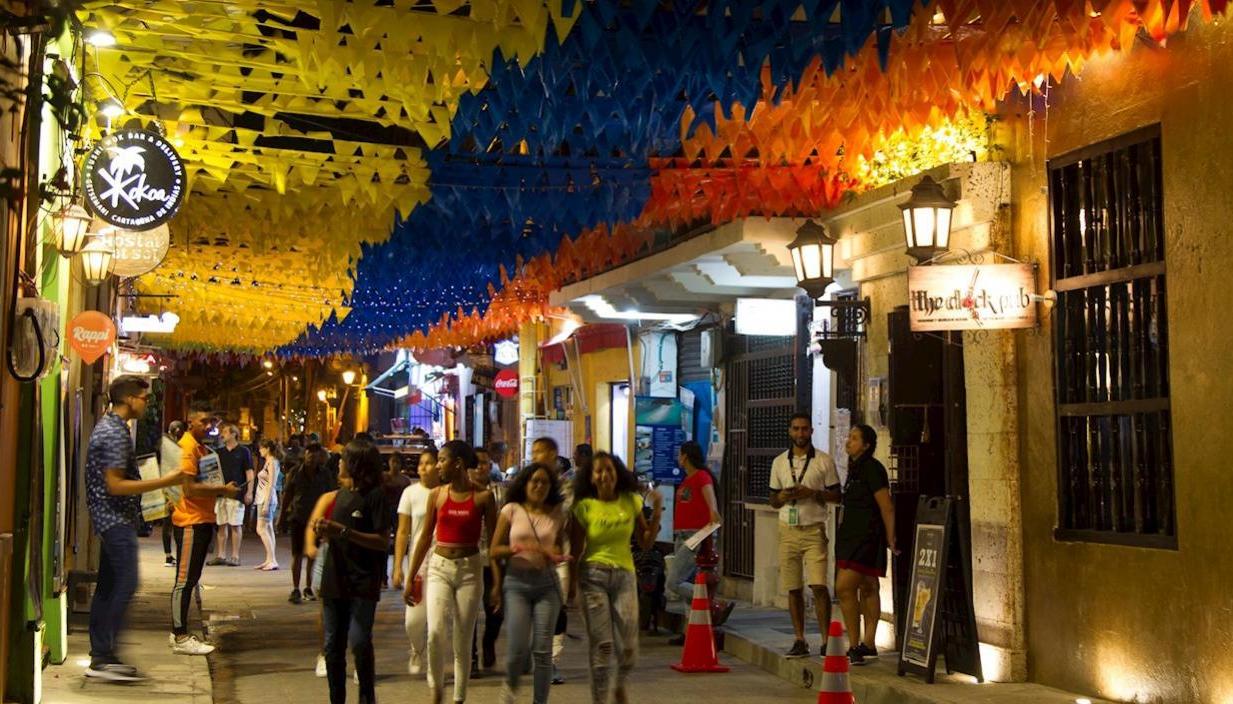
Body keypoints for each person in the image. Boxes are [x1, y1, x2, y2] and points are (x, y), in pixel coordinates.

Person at [84, 376, 187, 682]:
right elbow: (115, 485)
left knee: (108, 586)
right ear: (129, 399)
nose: (146, 403)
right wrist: (166, 482)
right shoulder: (114, 433)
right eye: (144, 398)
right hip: (114, 518)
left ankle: (102, 655)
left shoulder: (111, 428)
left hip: (109, 518)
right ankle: (103, 655)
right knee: (126, 583)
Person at [405, 440, 498, 704]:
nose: (438, 466)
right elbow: (424, 539)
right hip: (439, 568)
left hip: (470, 570)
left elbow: (493, 543)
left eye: (442, 460)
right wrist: (410, 576)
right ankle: (436, 690)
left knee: (463, 637)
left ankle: (459, 697)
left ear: (458, 463)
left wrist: (498, 582)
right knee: (434, 631)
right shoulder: (438, 495)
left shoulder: (483, 497)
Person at [569, 452, 662, 704]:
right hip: (592, 577)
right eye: (598, 471)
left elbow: (645, 543)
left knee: (630, 647)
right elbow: (575, 551)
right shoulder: (583, 506)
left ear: (617, 473)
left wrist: (658, 512)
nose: (604, 475)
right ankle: (599, 700)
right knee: (603, 646)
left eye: (609, 469)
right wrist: (570, 588)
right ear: (591, 477)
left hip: (624, 576)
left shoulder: (630, 501)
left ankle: (619, 683)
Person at [306, 439, 390, 704]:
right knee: (332, 648)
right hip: (335, 579)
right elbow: (329, 533)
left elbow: (382, 540)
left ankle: (366, 697)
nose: (338, 463)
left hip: (363, 580)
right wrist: (322, 532)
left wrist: (342, 531)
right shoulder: (339, 496)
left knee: (360, 641)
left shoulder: (375, 496)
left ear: (355, 464)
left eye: (343, 458)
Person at [490, 464, 569, 704]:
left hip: (548, 585)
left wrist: (556, 554)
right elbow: (494, 550)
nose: (539, 486)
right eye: (534, 481)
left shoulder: (557, 512)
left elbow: (560, 544)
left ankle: (539, 702)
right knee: (516, 649)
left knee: (543, 651)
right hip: (516, 584)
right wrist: (520, 548)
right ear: (524, 484)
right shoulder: (511, 510)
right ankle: (510, 689)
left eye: (545, 482)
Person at [768, 412, 841, 659]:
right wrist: (783, 496)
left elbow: (836, 495)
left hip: (814, 529)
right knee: (793, 587)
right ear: (790, 431)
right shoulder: (779, 462)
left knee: (819, 585)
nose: (800, 433)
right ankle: (799, 639)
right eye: (796, 429)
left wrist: (812, 492)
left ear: (811, 431)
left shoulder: (824, 461)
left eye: (805, 429)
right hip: (787, 530)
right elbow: (773, 500)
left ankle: (825, 640)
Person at [171, 406, 240, 655]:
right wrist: (221, 490)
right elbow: (189, 489)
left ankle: (179, 631)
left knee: (190, 579)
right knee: (184, 580)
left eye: (211, 421)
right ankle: (179, 635)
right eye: (203, 421)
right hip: (190, 519)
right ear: (191, 422)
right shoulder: (188, 448)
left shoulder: (201, 449)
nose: (208, 426)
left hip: (201, 519)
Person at [834, 424, 895, 666]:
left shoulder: (872, 468)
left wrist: (891, 537)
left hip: (866, 537)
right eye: (849, 436)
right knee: (868, 586)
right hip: (850, 535)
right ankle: (866, 644)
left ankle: (856, 643)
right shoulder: (854, 468)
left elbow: (886, 505)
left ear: (867, 445)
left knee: (844, 587)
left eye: (855, 438)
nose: (849, 441)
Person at [664, 441, 733, 639]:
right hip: (683, 534)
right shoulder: (688, 479)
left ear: (685, 456)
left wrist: (712, 521)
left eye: (680, 454)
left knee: (674, 582)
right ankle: (691, 631)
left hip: (695, 535)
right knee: (686, 579)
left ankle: (712, 602)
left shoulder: (702, 477)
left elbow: (711, 503)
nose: (678, 458)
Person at [392, 449, 439, 677]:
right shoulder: (410, 493)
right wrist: (398, 566)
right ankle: (416, 648)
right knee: (414, 620)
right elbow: (402, 532)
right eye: (421, 463)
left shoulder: (445, 493)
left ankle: (434, 663)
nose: (423, 468)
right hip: (418, 565)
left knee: (437, 619)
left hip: (442, 563)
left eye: (428, 463)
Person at [530, 436, 570, 684]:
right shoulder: (528, 485)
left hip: (561, 559)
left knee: (557, 610)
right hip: (531, 558)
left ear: (553, 454)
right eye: (533, 452)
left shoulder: (568, 489)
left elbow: (573, 526)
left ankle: (551, 662)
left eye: (539, 452)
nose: (534, 457)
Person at [280, 444, 334, 603]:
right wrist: (281, 516)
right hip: (298, 517)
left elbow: (330, 495)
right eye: (309, 454)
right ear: (305, 455)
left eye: (315, 455)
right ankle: (295, 588)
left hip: (317, 520)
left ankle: (308, 587)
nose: (311, 457)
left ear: (320, 457)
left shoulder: (325, 474)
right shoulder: (295, 473)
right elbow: (287, 495)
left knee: (312, 554)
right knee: (296, 554)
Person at [468, 457, 504, 673]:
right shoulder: (463, 492)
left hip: (493, 555)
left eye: (484, 463)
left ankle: (489, 642)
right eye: (476, 463)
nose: (479, 467)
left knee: (496, 610)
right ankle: (471, 657)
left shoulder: (501, 491)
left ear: (490, 467)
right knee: (468, 609)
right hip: (469, 556)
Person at [210, 424, 254, 567]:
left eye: (225, 432)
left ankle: (235, 555)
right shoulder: (219, 452)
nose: (222, 434)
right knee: (221, 524)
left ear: (234, 434)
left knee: (235, 524)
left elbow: (249, 472)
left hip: (237, 493)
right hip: (221, 493)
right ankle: (221, 554)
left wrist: (249, 491)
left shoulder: (243, 451)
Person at [158, 421, 186, 567]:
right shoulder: (170, 446)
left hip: (168, 487)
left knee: (169, 523)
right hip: (170, 488)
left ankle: (169, 556)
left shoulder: (163, 444)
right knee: (172, 523)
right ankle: (170, 556)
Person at [255, 440, 283, 571]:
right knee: (268, 529)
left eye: (261, 448)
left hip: (266, 499)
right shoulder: (269, 462)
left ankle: (272, 560)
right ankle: (270, 559)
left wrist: (266, 503)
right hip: (264, 498)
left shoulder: (272, 462)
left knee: (261, 529)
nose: (260, 450)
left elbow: (272, 484)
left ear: (267, 449)